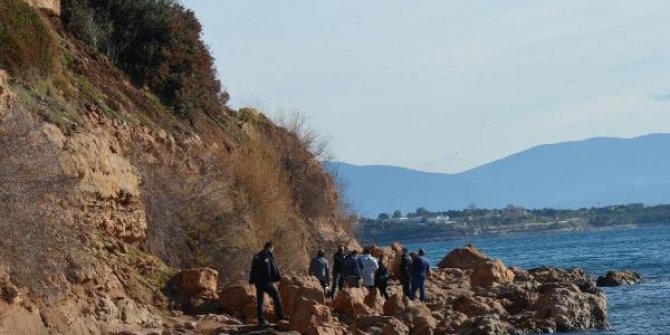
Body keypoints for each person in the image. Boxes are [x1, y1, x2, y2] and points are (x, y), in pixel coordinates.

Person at [249, 241, 286, 326]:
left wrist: (252, 280)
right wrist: (272, 279)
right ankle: (279, 317)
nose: (272, 250)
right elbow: (267, 268)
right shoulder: (266, 255)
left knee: (260, 301)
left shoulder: (257, 256)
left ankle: (261, 320)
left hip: (258, 282)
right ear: (270, 247)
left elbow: (253, 269)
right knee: (276, 296)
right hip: (266, 282)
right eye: (272, 249)